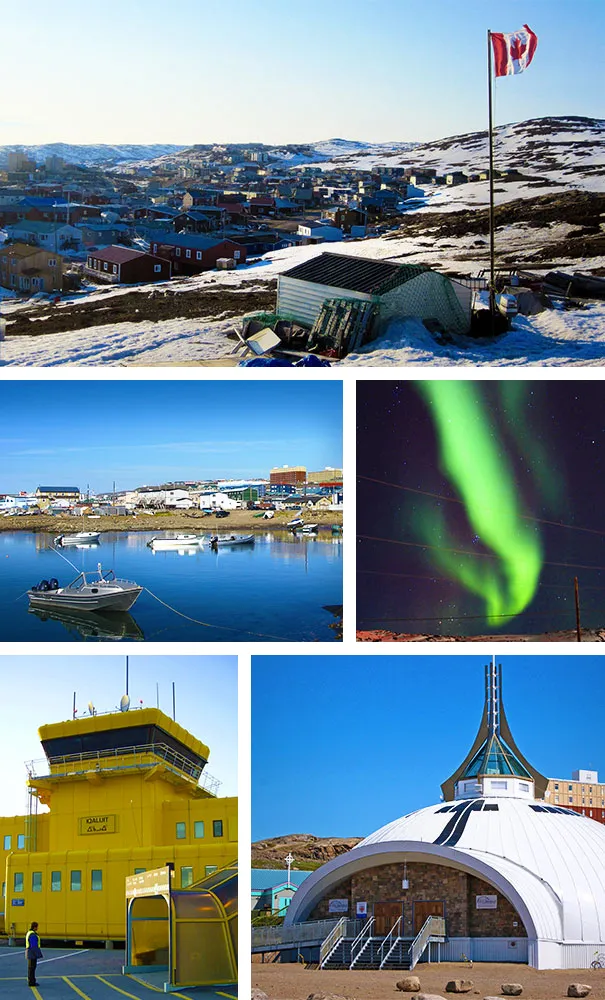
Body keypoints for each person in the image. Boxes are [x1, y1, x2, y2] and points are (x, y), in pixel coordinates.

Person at [25, 922, 43, 987]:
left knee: (31, 968)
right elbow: (33, 945)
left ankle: (31, 981)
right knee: (32, 967)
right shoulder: (32, 934)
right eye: (37, 927)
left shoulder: (29, 933)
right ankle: (32, 982)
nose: (37, 928)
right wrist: (37, 954)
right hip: (32, 952)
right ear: (35, 927)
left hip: (30, 951)